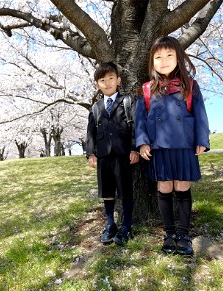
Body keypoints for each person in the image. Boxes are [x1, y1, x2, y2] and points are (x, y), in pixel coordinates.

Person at [135, 36, 210, 256]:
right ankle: (169, 234)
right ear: (152, 62)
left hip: (184, 146)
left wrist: (201, 140)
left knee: (183, 188)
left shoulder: (190, 86)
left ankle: (184, 234)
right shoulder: (147, 89)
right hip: (159, 147)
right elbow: (140, 120)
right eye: (158, 57)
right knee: (165, 188)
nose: (164, 60)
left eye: (169, 55)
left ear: (179, 58)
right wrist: (142, 143)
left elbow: (200, 114)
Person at [86, 62, 140, 246]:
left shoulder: (127, 102)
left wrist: (135, 148)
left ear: (118, 80)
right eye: (102, 80)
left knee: (125, 190)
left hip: (123, 154)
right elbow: (90, 133)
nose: (107, 83)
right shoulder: (95, 107)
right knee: (107, 191)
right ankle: (110, 224)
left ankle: (126, 225)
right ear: (97, 84)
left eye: (111, 78)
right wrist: (91, 154)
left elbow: (135, 127)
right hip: (103, 156)